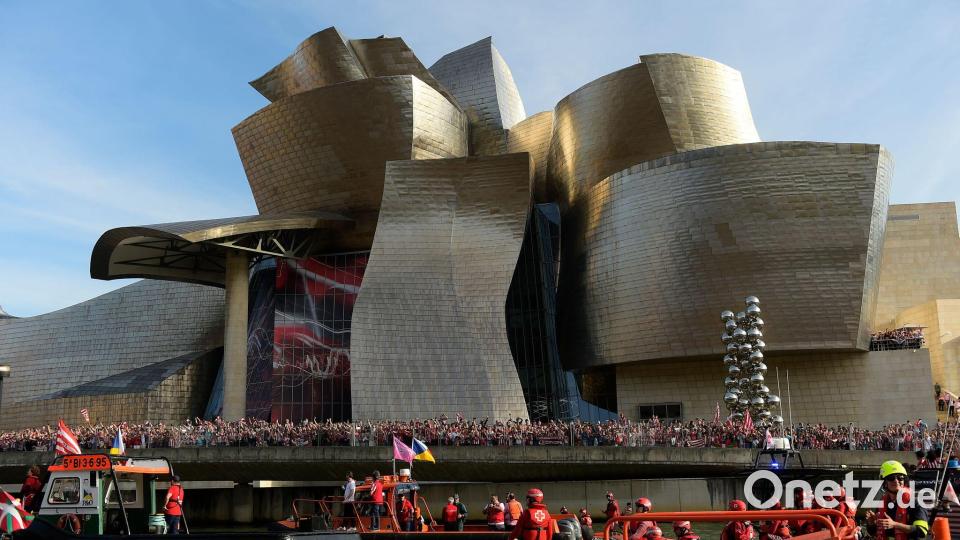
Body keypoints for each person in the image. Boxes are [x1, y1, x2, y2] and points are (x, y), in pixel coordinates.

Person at [865, 460, 930, 540]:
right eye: (891, 478)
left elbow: (922, 531)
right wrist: (872, 523)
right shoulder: (882, 504)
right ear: (884, 483)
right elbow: (873, 533)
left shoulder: (915, 503)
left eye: (900, 477)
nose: (896, 481)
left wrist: (895, 524)